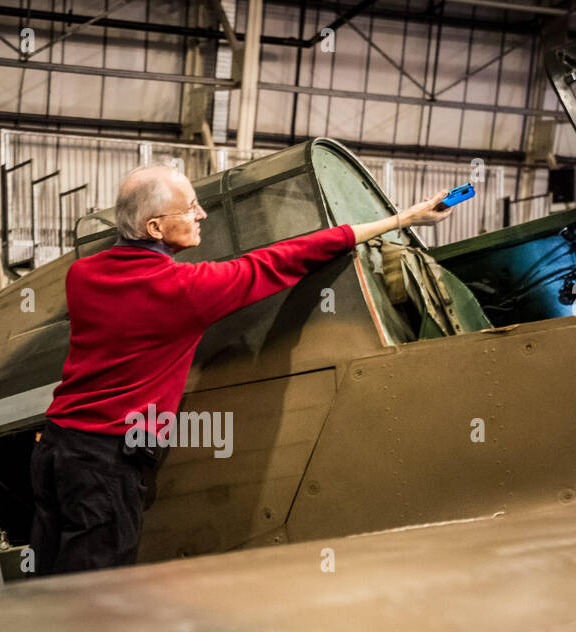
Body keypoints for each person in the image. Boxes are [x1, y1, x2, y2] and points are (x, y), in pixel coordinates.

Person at [28, 162, 456, 575]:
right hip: (106, 463)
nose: (202, 214)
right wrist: (405, 218)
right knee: (94, 591)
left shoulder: (82, 275)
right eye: (189, 208)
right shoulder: (186, 290)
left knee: (47, 580)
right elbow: (283, 259)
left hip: (53, 450)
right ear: (155, 228)